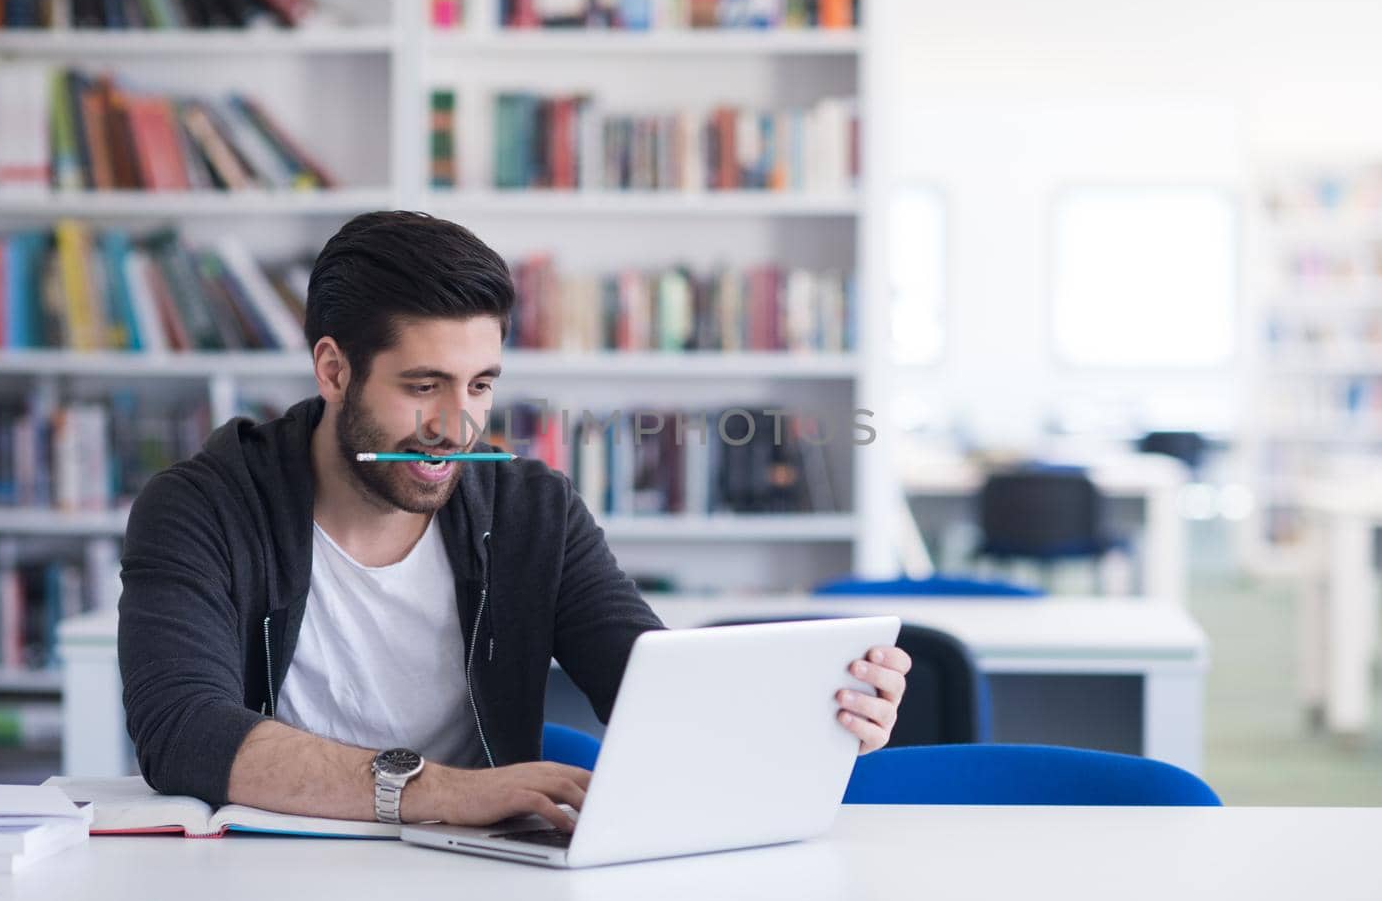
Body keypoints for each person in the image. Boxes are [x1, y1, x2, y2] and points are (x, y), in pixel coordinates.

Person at [117, 211, 911, 832]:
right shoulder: (204, 508)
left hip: (482, 876)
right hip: (267, 872)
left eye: (480, 385)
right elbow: (182, 732)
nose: (456, 426)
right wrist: (442, 792)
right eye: (422, 385)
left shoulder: (533, 511)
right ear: (333, 369)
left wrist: (819, 712)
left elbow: (650, 686)